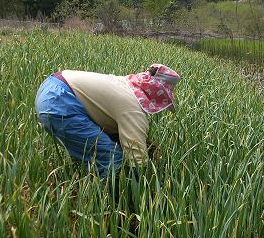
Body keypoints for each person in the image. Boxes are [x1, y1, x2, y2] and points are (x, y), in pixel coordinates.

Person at [35, 64, 180, 180]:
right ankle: (116, 205)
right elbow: (137, 160)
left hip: (50, 88)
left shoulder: (123, 83)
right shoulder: (133, 108)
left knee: (103, 146)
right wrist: (144, 184)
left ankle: (93, 182)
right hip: (60, 102)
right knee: (112, 159)